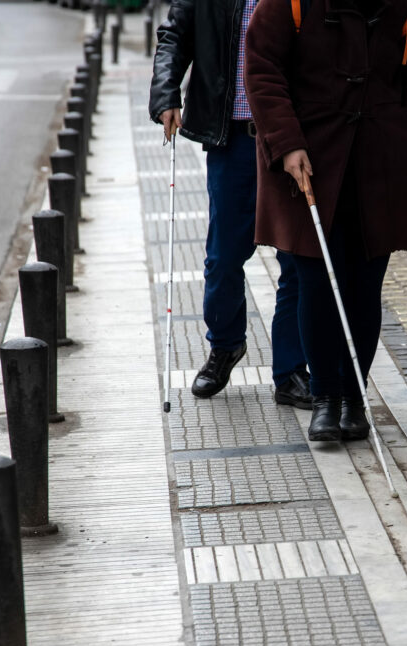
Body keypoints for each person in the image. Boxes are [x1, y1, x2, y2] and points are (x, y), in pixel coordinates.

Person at [245, 0, 407, 440]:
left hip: (379, 165)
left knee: (365, 286)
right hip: (311, 161)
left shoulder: (402, 5)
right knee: (316, 284)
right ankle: (326, 398)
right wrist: (287, 142)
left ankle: (355, 398)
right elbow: (262, 68)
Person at [148, 0, 312, 408]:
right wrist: (166, 92)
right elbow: (174, 35)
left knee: (295, 258)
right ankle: (225, 345)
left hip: (288, 138)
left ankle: (290, 370)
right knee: (223, 257)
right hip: (233, 139)